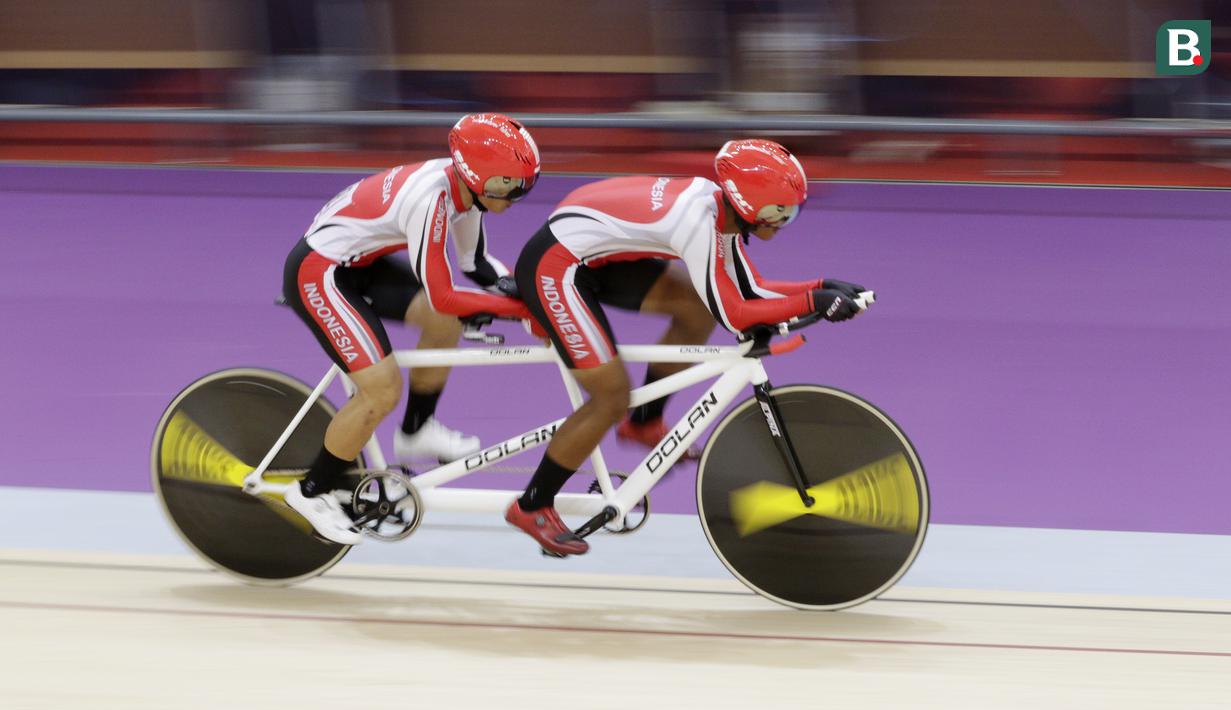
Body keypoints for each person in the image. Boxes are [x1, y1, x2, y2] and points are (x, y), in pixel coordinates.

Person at [506, 139, 867, 556]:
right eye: (779, 212)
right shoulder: (697, 224)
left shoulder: (721, 211)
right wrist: (814, 302)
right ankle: (532, 505)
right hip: (557, 266)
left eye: (792, 212)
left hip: (595, 254)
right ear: (747, 204)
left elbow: (750, 288)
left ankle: (643, 423)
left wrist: (822, 287)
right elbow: (735, 313)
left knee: (696, 310)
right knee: (610, 397)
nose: (784, 222)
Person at [281, 113, 539, 544]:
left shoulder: (465, 192)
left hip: (358, 263)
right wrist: (519, 312)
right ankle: (311, 491)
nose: (517, 195)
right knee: (381, 391)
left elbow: (475, 263)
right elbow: (444, 295)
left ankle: (417, 430)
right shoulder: (430, 200)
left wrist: (529, 299)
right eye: (508, 184)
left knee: (444, 323)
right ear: (476, 175)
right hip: (320, 273)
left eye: (525, 184)